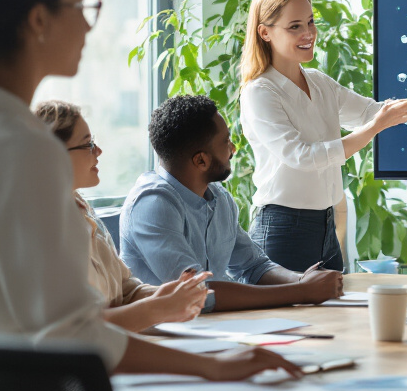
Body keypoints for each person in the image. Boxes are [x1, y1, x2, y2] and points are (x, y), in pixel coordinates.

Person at [0, 0, 294, 381]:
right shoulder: (23, 146)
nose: (90, 26)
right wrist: (213, 366)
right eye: (82, 7)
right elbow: (72, 336)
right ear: (38, 19)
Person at [238, 0, 407, 271]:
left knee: (332, 318)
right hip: (283, 231)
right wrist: (373, 128)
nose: (309, 33)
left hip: (325, 228)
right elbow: (302, 157)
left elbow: (377, 112)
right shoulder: (260, 92)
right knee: (289, 318)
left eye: (310, 22)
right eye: (294, 26)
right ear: (264, 32)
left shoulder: (319, 83)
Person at [121, 94, 346, 310]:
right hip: (163, 337)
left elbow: (255, 267)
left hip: (212, 329)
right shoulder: (153, 205)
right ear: (201, 160)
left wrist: (304, 280)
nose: (233, 149)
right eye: (226, 141)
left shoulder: (218, 197)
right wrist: (302, 292)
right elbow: (199, 293)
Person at [35, 99, 211, 332]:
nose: (98, 151)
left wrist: (164, 295)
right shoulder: (41, 227)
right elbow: (79, 328)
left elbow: (126, 290)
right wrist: (160, 308)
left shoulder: (82, 208)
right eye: (88, 144)